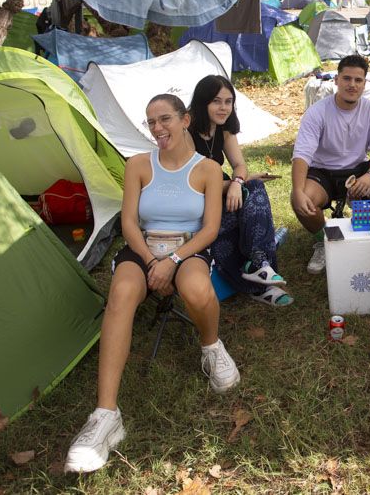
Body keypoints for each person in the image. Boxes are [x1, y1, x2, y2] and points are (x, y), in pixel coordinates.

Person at [65, 94, 238, 473]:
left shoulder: (208, 169)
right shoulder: (138, 165)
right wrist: (150, 262)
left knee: (195, 288)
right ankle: (106, 416)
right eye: (151, 123)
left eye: (165, 120)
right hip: (143, 248)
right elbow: (128, 223)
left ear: (185, 119)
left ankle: (211, 347)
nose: (158, 129)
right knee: (122, 293)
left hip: (187, 248)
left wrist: (173, 261)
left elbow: (210, 229)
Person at [291, 54, 370, 273]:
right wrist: (297, 190)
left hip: (358, 172)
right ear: (336, 80)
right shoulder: (317, 112)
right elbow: (301, 154)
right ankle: (326, 241)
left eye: (358, 80)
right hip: (323, 173)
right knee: (301, 198)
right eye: (347, 79)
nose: (352, 85)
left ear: (364, 83)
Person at [189, 75, 293, 307]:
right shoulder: (186, 132)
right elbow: (190, 184)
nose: (223, 107)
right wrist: (229, 186)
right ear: (202, 101)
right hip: (197, 197)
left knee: (254, 186)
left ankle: (258, 263)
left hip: (222, 187)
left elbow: (240, 165)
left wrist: (237, 182)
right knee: (228, 227)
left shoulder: (223, 128)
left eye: (228, 101)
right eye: (216, 101)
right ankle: (259, 286)